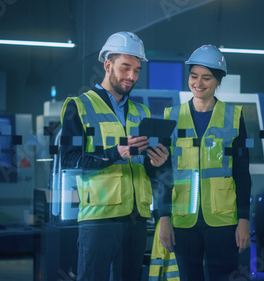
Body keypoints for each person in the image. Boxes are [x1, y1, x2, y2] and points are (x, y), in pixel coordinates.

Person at [60, 31, 169, 281]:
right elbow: (68, 161)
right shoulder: (79, 107)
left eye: (137, 70)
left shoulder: (142, 112)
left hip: (136, 219)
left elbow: (147, 169)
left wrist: (157, 163)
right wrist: (115, 153)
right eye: (125, 68)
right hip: (99, 220)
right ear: (107, 65)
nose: (132, 76)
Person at [158, 45, 252, 281]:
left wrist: (244, 220)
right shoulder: (171, 116)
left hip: (223, 220)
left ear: (218, 81)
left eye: (206, 78)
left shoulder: (234, 117)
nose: (198, 83)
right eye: (193, 76)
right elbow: (164, 173)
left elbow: (242, 173)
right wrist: (164, 217)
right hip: (183, 220)